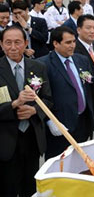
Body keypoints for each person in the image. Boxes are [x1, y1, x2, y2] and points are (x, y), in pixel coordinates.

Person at [0, 26, 52, 197]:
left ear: (26, 43)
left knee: (30, 187)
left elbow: (48, 99)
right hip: (6, 140)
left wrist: (34, 110)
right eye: (8, 43)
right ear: (1, 45)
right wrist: (15, 104)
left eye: (17, 42)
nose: (13, 47)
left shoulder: (38, 67)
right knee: (8, 187)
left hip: (32, 137)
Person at [38, 27, 94, 159]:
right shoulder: (43, 64)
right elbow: (40, 96)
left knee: (80, 161)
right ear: (55, 43)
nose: (72, 46)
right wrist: (49, 120)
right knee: (60, 162)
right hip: (60, 125)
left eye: (74, 42)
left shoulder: (81, 60)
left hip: (83, 121)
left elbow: (91, 85)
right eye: (68, 42)